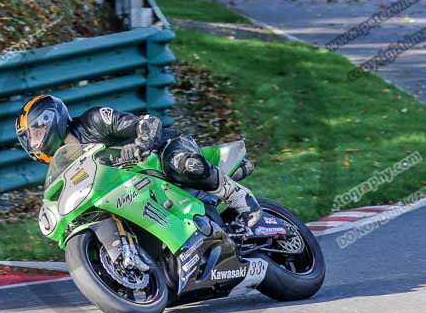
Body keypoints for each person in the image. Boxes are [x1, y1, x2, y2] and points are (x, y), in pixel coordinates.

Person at [15, 94, 264, 231]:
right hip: (135, 191)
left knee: (182, 164)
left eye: (36, 134)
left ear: (52, 122)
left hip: (162, 151)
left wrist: (141, 144)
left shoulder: (94, 120)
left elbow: (148, 122)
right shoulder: (64, 167)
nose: (34, 144)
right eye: (29, 140)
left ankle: (240, 197)